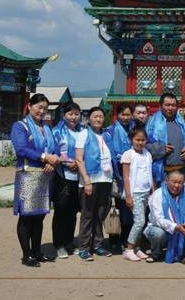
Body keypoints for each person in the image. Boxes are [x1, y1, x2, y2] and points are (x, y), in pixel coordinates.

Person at [10, 93, 60, 267]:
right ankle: (27, 255)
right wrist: (45, 157)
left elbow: (55, 149)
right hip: (28, 175)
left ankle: (37, 252)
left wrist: (52, 162)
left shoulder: (47, 128)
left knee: (39, 216)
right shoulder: (20, 126)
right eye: (39, 107)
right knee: (26, 216)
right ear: (29, 106)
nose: (42, 111)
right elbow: (21, 149)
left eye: (45, 108)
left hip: (46, 176)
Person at [74, 106, 114, 261]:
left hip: (106, 180)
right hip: (91, 180)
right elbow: (79, 159)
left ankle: (97, 245)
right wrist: (86, 181)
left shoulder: (107, 135)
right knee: (88, 215)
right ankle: (84, 247)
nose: (98, 119)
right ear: (89, 119)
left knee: (100, 215)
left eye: (101, 116)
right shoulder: (83, 134)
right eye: (95, 116)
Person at [145, 170, 185, 264]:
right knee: (158, 233)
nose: (177, 185)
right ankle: (156, 253)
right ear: (166, 180)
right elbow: (159, 219)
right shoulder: (158, 194)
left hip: (182, 227)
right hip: (161, 228)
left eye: (180, 182)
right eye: (174, 182)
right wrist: (175, 227)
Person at [50, 102, 83, 259]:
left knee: (73, 211)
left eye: (76, 114)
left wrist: (79, 164)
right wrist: (67, 163)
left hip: (78, 177)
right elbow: (53, 151)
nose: (74, 117)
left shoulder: (83, 131)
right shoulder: (56, 132)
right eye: (70, 114)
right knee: (61, 211)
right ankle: (59, 244)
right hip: (62, 176)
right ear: (64, 115)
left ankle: (69, 242)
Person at [120, 126, 154, 262]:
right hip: (135, 193)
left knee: (142, 221)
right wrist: (128, 196)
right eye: (137, 140)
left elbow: (149, 173)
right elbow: (126, 177)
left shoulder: (147, 154)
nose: (140, 142)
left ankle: (137, 247)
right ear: (131, 140)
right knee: (139, 221)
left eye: (143, 140)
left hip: (146, 192)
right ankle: (129, 249)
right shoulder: (128, 154)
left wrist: (152, 191)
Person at [146, 93, 185, 185]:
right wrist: (161, 149)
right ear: (160, 106)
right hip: (162, 173)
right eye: (167, 105)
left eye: (173, 105)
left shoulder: (182, 122)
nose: (170, 108)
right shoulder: (151, 122)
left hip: (182, 172)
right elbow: (144, 144)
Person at [106, 103, 134, 253]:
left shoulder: (134, 130)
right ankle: (114, 240)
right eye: (123, 114)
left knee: (127, 210)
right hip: (116, 175)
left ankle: (126, 238)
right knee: (115, 209)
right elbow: (110, 155)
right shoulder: (110, 131)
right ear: (117, 115)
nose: (125, 117)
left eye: (128, 114)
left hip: (131, 175)